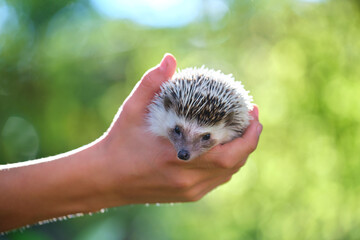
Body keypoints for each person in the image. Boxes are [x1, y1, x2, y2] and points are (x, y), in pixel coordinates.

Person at [0, 54, 262, 232]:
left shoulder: (227, 123)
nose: (184, 149)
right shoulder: (162, 109)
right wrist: (109, 173)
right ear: (166, 110)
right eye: (178, 131)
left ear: (227, 128)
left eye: (205, 138)